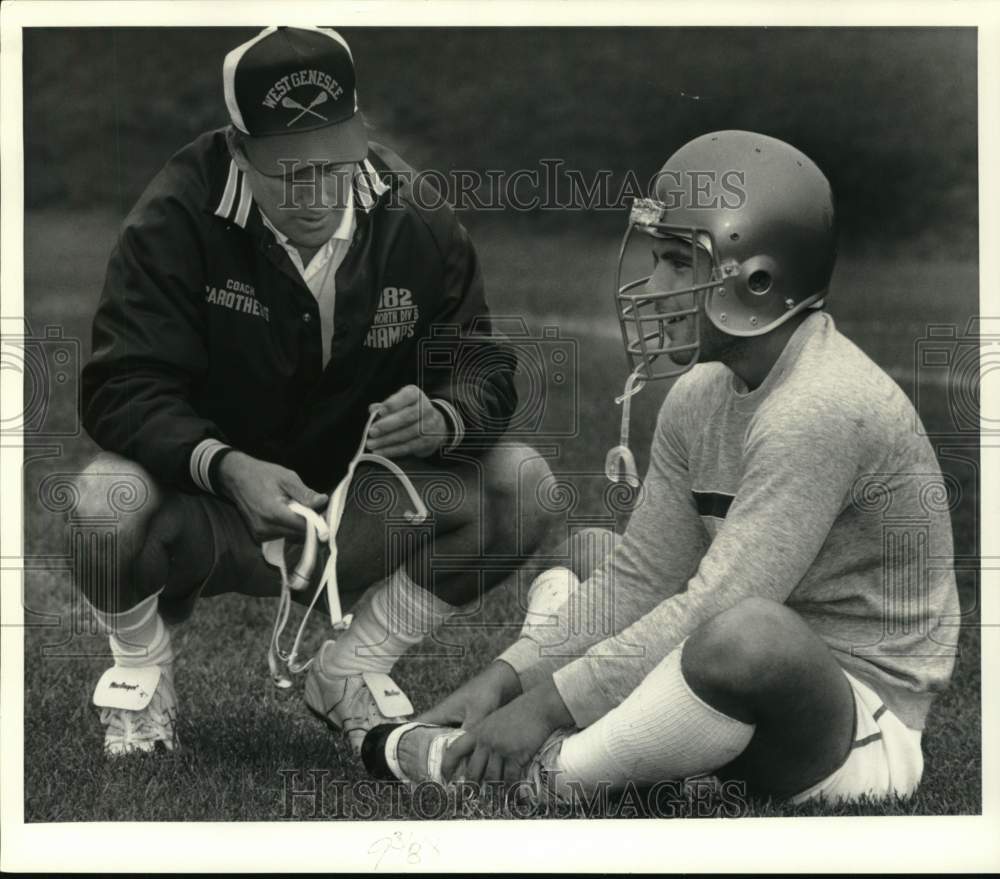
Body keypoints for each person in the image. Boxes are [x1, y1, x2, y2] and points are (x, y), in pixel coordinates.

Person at [361, 130, 961, 806]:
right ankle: (617, 737)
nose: (655, 284)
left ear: (759, 279)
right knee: (596, 553)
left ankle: (557, 775)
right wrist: (506, 679)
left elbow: (721, 609)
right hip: (733, 661)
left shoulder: (820, 405)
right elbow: (641, 576)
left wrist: (542, 708)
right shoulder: (701, 392)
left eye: (680, 261)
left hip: (853, 717)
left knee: (742, 632)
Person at [76, 26, 553, 757]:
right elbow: (121, 385)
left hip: (355, 511)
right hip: (214, 514)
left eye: (331, 165)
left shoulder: (416, 218)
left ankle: (350, 666)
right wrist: (225, 464)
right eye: (287, 170)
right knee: (103, 501)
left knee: (522, 483)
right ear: (238, 150)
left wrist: (444, 417)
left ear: (359, 136)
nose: (313, 192)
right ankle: (143, 670)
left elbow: (481, 366)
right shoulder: (175, 216)